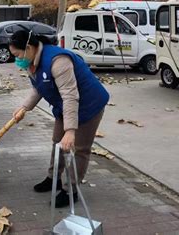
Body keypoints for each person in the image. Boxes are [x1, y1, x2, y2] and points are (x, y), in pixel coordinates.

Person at [9, 30, 109, 208]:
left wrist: (70, 131)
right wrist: (25, 107)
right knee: (58, 142)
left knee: (78, 148)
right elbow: (39, 88)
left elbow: (70, 96)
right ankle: (53, 178)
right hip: (66, 107)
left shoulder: (58, 61)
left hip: (88, 106)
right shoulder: (33, 62)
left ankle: (70, 190)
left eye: (17, 55)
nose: (17, 59)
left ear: (29, 48)